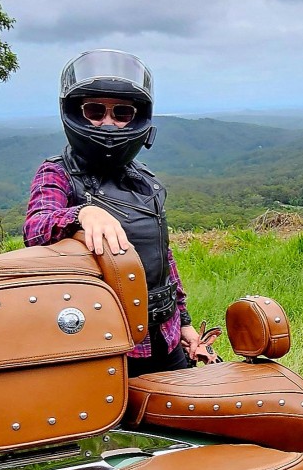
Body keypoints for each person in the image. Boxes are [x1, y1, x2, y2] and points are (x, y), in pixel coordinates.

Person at [24, 49, 201, 376]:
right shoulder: (59, 173)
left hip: (165, 333)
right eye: (94, 110)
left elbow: (163, 258)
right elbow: (36, 228)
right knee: (116, 428)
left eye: (122, 113)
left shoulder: (144, 179)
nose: (108, 122)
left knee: (182, 420)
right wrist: (82, 214)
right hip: (106, 339)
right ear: (76, 114)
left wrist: (186, 323)